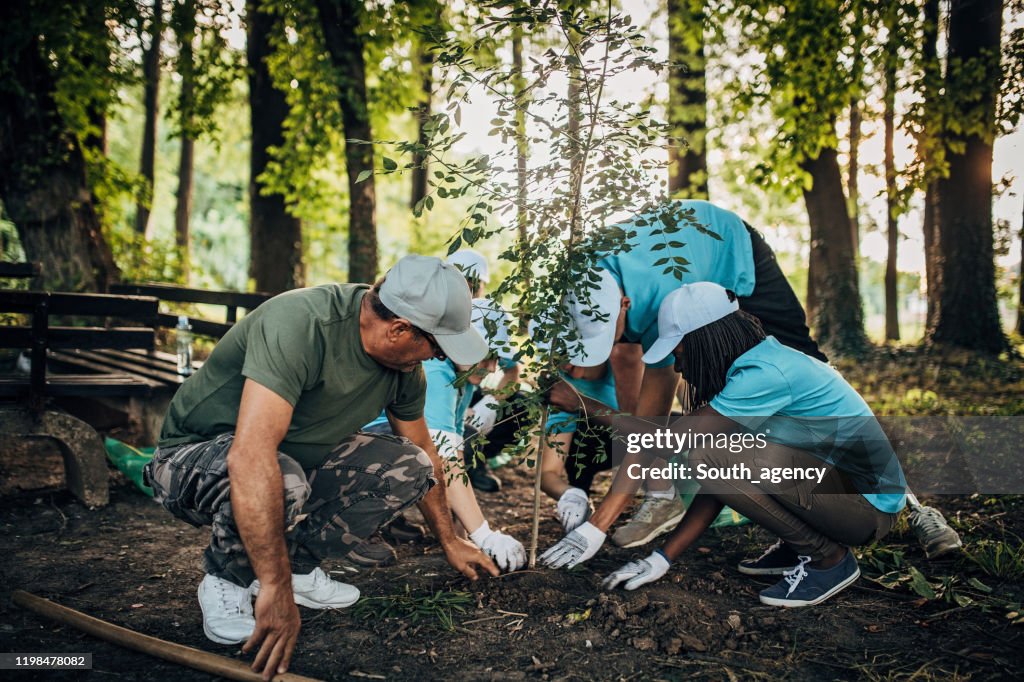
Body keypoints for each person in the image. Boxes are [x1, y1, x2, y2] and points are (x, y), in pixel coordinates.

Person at [144, 256, 499, 680]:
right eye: (437, 346)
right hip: (190, 461)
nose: (437, 357)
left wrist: (451, 539)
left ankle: (295, 569)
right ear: (399, 329)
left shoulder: (404, 367)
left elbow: (424, 447)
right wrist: (272, 592)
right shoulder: (302, 325)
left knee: (409, 466)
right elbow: (251, 456)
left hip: (285, 461)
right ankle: (227, 579)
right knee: (282, 478)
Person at [542, 199, 959, 557]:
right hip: (667, 279)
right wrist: (589, 482)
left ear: (626, 304)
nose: (583, 366)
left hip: (730, 247)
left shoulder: (666, 295)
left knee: (805, 363)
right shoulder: (578, 281)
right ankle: (667, 492)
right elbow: (603, 373)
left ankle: (907, 503)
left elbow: (653, 423)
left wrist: (601, 521)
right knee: (715, 430)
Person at [583, 282, 906, 607]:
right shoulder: (757, 365)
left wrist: (584, 405)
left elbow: (676, 444)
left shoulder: (765, 374)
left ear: (705, 340)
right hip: (847, 497)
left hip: (866, 510)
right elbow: (720, 482)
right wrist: (662, 558)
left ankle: (828, 559)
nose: (679, 368)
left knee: (704, 451)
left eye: (679, 354)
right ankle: (799, 544)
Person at [364, 298, 527, 571]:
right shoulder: (438, 373)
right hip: (366, 442)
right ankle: (360, 527)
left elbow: (454, 457)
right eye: (486, 357)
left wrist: (462, 537)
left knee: (465, 440)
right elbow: (444, 461)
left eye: (496, 358)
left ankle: (391, 516)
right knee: (415, 458)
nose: (491, 369)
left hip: (402, 441)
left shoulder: (462, 374)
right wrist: (483, 534)